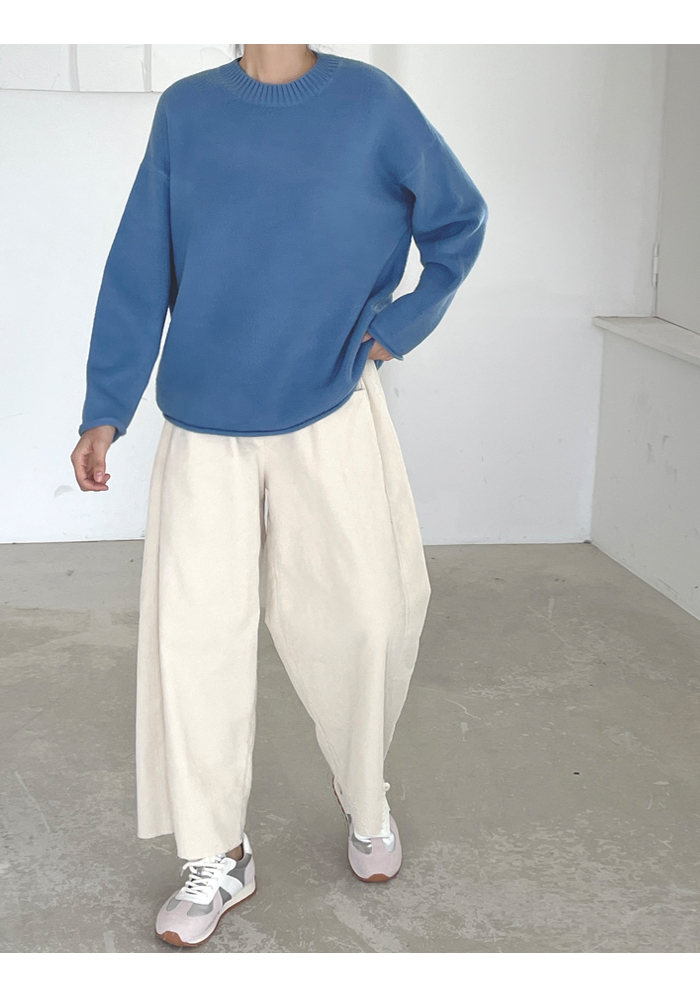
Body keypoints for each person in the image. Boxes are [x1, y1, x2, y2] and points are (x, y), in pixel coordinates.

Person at [70, 43, 488, 948]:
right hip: (204, 420)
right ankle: (218, 851)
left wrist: (398, 326)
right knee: (195, 641)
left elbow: (460, 220)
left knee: (369, 616)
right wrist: (106, 406)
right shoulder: (188, 111)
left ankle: (364, 787)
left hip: (330, 404)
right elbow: (140, 264)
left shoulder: (372, 104)